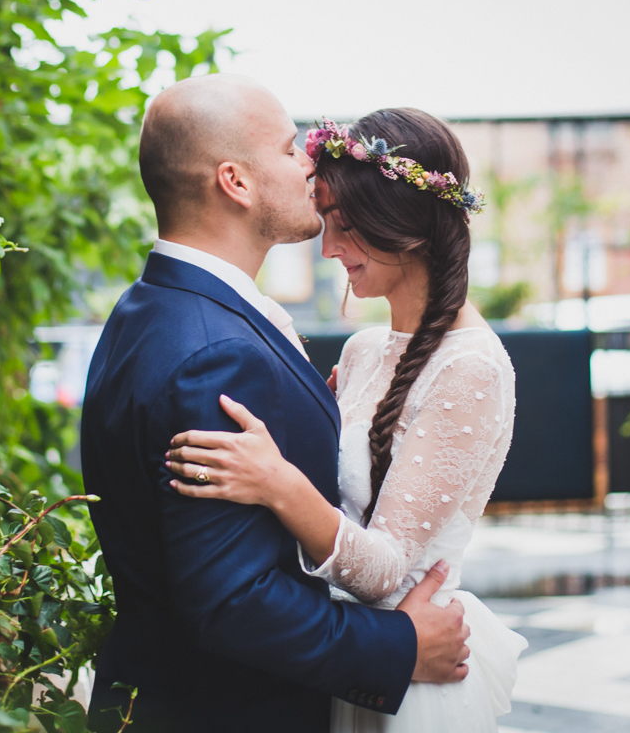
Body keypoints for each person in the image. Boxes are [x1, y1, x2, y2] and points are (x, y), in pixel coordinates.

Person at [80, 77, 471, 733]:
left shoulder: (147, 310)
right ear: (235, 182)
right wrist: (401, 648)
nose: (311, 164)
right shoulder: (214, 353)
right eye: (290, 150)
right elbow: (234, 601)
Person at [164, 109, 529, 732]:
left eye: (347, 225)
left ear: (407, 226)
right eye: (325, 219)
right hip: (347, 655)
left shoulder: (472, 368)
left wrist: (277, 483)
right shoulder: (363, 350)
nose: (328, 248)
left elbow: (387, 567)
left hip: (412, 671)